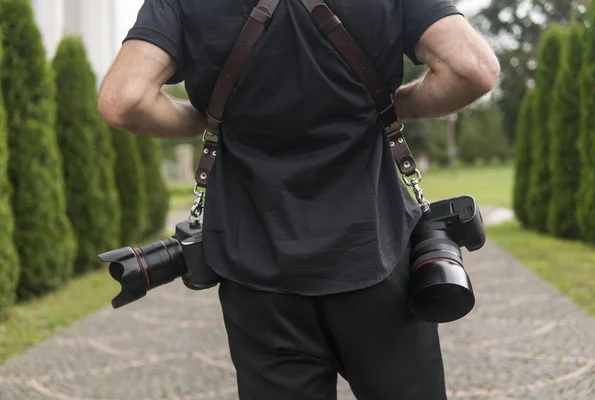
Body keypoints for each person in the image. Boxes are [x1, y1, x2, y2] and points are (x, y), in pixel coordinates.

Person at [98, 0, 500, 398]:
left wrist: (207, 120)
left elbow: (124, 100)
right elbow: (473, 70)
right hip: (376, 254)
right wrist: (391, 106)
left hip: (255, 273)